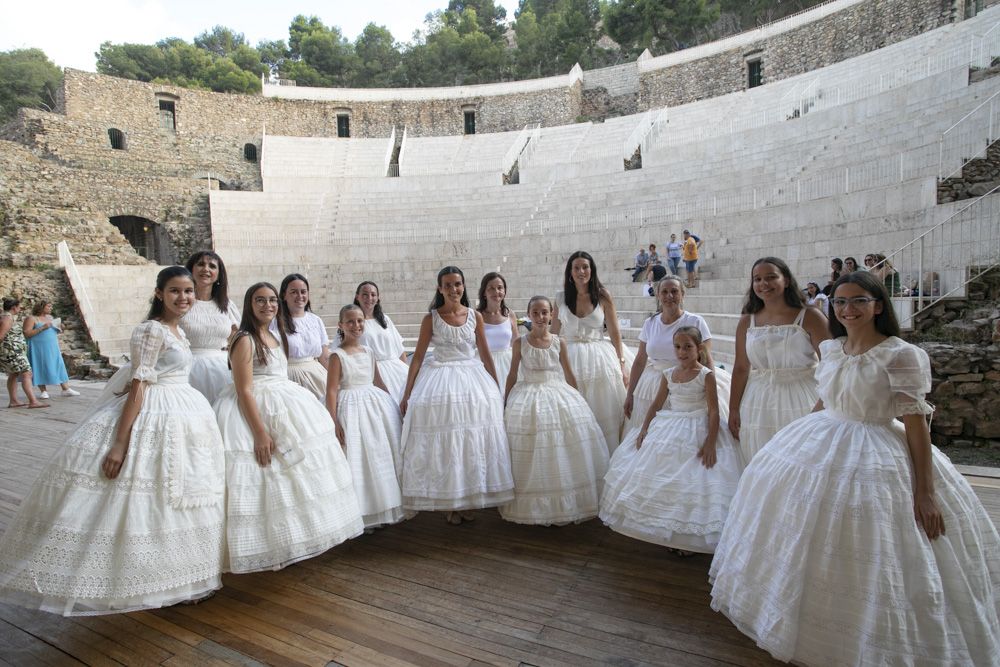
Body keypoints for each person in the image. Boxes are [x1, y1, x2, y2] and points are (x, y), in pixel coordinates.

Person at [710, 272, 1000, 666]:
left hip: (878, 446)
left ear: (878, 305)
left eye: (858, 300)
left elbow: (916, 424)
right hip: (825, 435)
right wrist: (794, 440)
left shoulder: (900, 354)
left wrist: (925, 492)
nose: (848, 309)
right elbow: (826, 401)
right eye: (841, 302)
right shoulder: (832, 349)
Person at [0, 266, 226, 614]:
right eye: (175, 291)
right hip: (157, 412)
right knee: (149, 497)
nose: (183, 298)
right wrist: (120, 443)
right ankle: (144, 579)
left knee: (178, 497)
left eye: (188, 291)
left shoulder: (178, 331)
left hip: (187, 415)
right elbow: (139, 383)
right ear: (159, 294)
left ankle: (184, 577)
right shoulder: (151, 330)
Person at [214, 282, 363, 573]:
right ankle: (264, 546)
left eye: (271, 300)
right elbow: (244, 389)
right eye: (260, 300)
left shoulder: (271, 334)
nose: (267, 305)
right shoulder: (244, 338)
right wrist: (259, 432)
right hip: (257, 407)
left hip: (285, 401)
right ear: (249, 304)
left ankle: (291, 540)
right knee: (265, 476)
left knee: (294, 476)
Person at [601, 327, 742, 555]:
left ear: (699, 349)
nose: (682, 351)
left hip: (698, 426)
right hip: (670, 425)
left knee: (693, 479)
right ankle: (667, 532)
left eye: (688, 347)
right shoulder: (669, 375)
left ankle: (689, 539)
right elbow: (656, 405)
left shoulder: (706, 375)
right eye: (678, 347)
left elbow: (714, 412)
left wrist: (710, 442)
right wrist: (644, 429)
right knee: (666, 476)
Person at [398, 266, 513, 525]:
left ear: (464, 285)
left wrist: (496, 386)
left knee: (471, 441)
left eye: (458, 284)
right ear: (439, 288)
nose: (454, 289)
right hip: (440, 378)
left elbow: (484, 354)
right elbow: (417, 357)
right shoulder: (431, 318)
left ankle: (469, 497)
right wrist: (407, 393)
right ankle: (450, 502)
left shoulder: (474, 316)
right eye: (448, 285)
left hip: (472, 379)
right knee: (447, 442)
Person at [499, 295, 608, 526]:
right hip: (528, 393)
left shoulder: (560, 342)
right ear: (528, 315)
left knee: (561, 445)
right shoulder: (521, 343)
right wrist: (505, 401)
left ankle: (565, 502)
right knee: (532, 447)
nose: (540, 317)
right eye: (536, 312)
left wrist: (578, 399)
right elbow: (511, 374)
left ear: (551, 315)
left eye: (545, 312)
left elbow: (568, 373)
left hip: (557, 392)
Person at [728, 258, 829, 464]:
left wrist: (825, 404)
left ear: (787, 280)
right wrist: (733, 409)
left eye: (771, 277)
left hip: (802, 397)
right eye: (757, 279)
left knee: (800, 460)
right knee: (758, 457)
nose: (764, 284)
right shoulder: (747, 320)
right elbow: (740, 367)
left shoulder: (810, 316)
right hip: (758, 400)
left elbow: (831, 364)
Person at [326, 304, 405, 530]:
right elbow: (332, 390)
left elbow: (378, 381)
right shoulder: (336, 356)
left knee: (379, 454)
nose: (356, 325)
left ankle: (382, 506)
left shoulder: (369, 351)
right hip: (350, 406)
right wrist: (334, 421)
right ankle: (361, 513)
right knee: (358, 457)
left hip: (374, 405)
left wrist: (392, 404)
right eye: (350, 321)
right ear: (341, 325)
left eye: (360, 321)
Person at [624, 276, 731, 436]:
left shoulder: (695, 321)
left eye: (674, 291)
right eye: (664, 292)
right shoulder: (650, 323)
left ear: (682, 294)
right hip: (653, 384)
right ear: (658, 295)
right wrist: (630, 393)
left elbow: (706, 358)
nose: (669, 296)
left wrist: (708, 392)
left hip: (688, 384)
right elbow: (640, 360)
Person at [552, 251, 629, 454]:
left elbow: (614, 332)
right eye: (576, 268)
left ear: (592, 270)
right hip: (569, 358)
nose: (581, 271)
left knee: (602, 408)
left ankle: (605, 455)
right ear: (570, 272)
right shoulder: (560, 298)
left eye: (585, 267)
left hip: (599, 359)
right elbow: (553, 333)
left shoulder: (603, 296)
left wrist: (621, 363)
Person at [180, 250, 240, 404]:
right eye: (200, 264)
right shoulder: (180, 302)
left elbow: (236, 337)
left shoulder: (227, 305)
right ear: (190, 270)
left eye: (212, 266)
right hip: (185, 368)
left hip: (221, 370)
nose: (206, 269)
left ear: (219, 274)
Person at [273, 273, 330, 401]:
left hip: (317, 376)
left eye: (303, 292)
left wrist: (336, 379)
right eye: (294, 292)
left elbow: (324, 357)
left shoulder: (316, 320)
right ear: (284, 295)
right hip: (288, 376)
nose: (300, 296)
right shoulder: (275, 322)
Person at [351, 281, 409, 404]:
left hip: (395, 371)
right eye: (365, 294)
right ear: (357, 297)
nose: (369, 298)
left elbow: (399, 349)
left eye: (373, 295)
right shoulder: (352, 322)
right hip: (369, 372)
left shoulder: (385, 320)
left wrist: (405, 372)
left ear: (378, 298)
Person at [23, 301, 78, 398]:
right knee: (39, 365)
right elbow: (27, 334)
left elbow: (53, 332)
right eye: (49, 306)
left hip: (52, 346)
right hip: (37, 348)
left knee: (58, 364)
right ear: (41, 307)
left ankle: (65, 389)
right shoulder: (31, 319)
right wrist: (43, 327)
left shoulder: (51, 318)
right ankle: (43, 391)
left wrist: (61, 328)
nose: (51, 308)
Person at [1, 298, 47, 408]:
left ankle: (14, 401)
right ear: (14, 307)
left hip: (12, 351)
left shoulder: (6, 316)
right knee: (27, 373)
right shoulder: (7, 318)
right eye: (19, 306)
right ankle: (33, 401)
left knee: (14, 374)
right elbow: (1, 336)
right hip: (13, 352)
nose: (20, 308)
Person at [476, 272, 519, 385]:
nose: (496, 292)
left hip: (507, 363)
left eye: (500, 288)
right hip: (483, 364)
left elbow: (516, 342)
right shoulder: (477, 316)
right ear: (484, 293)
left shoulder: (510, 314)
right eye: (491, 288)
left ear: (504, 291)